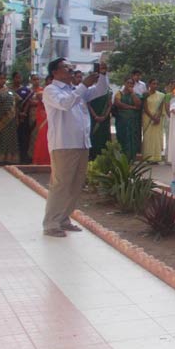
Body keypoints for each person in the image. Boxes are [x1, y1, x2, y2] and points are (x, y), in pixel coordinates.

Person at [42, 57, 110, 237]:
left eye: (71, 67)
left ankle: (63, 219)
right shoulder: (51, 90)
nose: (71, 70)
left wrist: (102, 74)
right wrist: (83, 86)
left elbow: (102, 90)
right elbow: (65, 104)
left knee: (75, 184)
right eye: (66, 68)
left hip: (81, 143)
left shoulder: (75, 90)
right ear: (55, 72)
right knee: (61, 184)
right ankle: (51, 223)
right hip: (64, 145)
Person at [113, 77, 142, 159]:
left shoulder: (135, 95)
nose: (130, 85)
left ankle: (131, 157)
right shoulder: (119, 93)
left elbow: (138, 105)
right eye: (128, 83)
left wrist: (132, 93)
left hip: (132, 121)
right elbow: (118, 104)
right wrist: (132, 107)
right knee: (122, 137)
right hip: (122, 120)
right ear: (125, 83)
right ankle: (122, 157)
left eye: (132, 83)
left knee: (132, 138)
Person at [88, 77, 113, 160]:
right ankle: (93, 156)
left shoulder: (108, 91)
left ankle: (105, 157)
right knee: (94, 136)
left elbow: (109, 104)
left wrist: (105, 116)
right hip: (93, 118)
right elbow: (88, 104)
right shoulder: (91, 90)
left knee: (104, 137)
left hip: (104, 120)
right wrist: (95, 116)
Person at [141, 79, 165, 163]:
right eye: (153, 84)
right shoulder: (145, 94)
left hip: (157, 119)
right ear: (149, 84)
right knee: (148, 138)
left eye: (156, 84)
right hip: (147, 118)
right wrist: (152, 117)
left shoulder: (161, 95)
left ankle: (156, 158)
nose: (155, 85)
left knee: (156, 138)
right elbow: (145, 108)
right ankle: (148, 158)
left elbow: (161, 108)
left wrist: (157, 117)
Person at [15, 73, 35, 163]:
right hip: (12, 117)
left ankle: (24, 158)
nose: (18, 79)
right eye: (16, 77)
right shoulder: (9, 90)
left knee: (25, 137)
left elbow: (29, 102)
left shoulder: (27, 90)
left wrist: (24, 113)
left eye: (20, 77)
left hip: (24, 117)